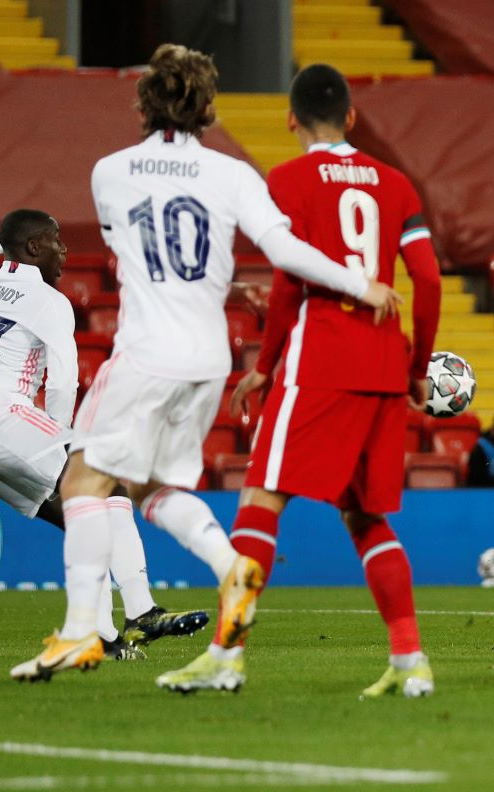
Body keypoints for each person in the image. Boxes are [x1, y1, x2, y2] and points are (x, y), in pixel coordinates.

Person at [10, 44, 402, 682]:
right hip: (206, 357)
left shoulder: (110, 172)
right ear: (208, 107)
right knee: (151, 488)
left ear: (145, 101)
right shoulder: (234, 175)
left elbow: (146, 259)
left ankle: (81, 632)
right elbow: (284, 248)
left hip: (146, 351)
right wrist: (362, 286)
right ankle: (231, 569)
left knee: (81, 481)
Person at [156, 63, 442, 695]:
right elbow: (426, 278)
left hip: (321, 359)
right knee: (365, 515)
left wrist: (265, 364)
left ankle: (226, 657)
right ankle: (408, 660)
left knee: (261, 498)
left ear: (290, 119)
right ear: (352, 117)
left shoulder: (285, 180)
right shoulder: (396, 184)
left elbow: (289, 278)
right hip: (384, 362)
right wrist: (417, 368)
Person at [0, 216, 206, 672]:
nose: (64, 250)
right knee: (104, 482)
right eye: (55, 241)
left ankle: (100, 637)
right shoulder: (48, 300)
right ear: (32, 246)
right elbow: (63, 381)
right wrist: (64, 442)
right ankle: (143, 610)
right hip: (5, 418)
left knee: (81, 520)